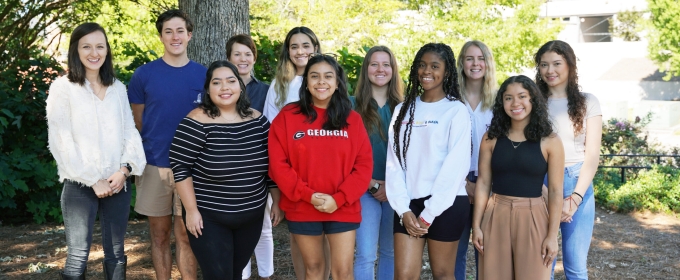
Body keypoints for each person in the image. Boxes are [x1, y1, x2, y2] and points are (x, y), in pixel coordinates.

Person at [46, 22, 146, 280]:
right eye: (87, 46)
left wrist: (125, 170)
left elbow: (130, 132)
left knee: (116, 253)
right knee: (78, 255)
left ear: (107, 50)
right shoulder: (62, 89)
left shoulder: (117, 88)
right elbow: (60, 141)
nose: (94, 52)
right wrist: (93, 179)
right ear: (76, 51)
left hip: (116, 183)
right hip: (80, 185)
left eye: (100, 46)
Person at [268, 54, 373, 280]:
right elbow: (278, 165)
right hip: (303, 206)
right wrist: (308, 196)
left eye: (328, 76)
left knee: (343, 273)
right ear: (306, 82)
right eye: (314, 76)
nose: (321, 82)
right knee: (314, 270)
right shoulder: (288, 116)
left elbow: (363, 165)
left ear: (337, 83)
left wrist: (340, 198)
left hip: (343, 206)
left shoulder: (352, 119)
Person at [169, 60, 276, 279]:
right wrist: (191, 210)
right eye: (217, 82)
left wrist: (278, 201)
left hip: (251, 217)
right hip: (210, 219)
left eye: (230, 81)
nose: (225, 87)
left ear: (240, 86)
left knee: (235, 273)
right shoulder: (195, 122)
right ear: (208, 89)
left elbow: (272, 164)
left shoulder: (258, 121)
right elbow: (180, 167)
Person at [127, 9, 206, 280]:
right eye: (168, 31)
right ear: (161, 36)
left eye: (180, 31)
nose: (175, 36)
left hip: (194, 170)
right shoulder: (143, 75)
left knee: (187, 234)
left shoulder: (204, 76)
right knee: (159, 234)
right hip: (154, 165)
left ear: (190, 35)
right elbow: (140, 121)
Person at [386, 43, 471, 279]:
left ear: (446, 72)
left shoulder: (456, 111)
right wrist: (403, 209)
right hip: (408, 204)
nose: (427, 71)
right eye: (422, 65)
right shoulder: (403, 110)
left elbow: (455, 167)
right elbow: (394, 164)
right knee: (404, 275)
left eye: (435, 66)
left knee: (443, 274)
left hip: (446, 204)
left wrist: (429, 214)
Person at [471, 75, 564, 280]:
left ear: (533, 100)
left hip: (534, 216)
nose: (515, 103)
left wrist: (552, 235)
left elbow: (556, 191)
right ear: (501, 102)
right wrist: (476, 226)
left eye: (522, 96)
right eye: (508, 98)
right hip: (496, 214)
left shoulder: (550, 141)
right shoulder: (490, 138)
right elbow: (484, 183)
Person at [261, 26, 331, 280]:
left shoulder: (326, 81)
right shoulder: (280, 84)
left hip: (324, 168)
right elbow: (271, 129)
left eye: (305, 45)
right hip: (293, 172)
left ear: (315, 48)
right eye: (294, 46)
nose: (300, 51)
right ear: (287, 51)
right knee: (299, 234)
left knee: (325, 232)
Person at [535, 40, 602, 280]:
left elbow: (592, 155)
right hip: (540, 183)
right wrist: (544, 192)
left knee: (575, 267)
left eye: (556, 63)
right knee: (543, 263)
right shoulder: (532, 102)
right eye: (544, 65)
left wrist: (574, 199)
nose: (550, 70)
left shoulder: (588, 101)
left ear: (570, 65)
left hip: (578, 183)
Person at [225, 34, 283, 280]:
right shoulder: (222, 88)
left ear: (254, 57)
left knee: (264, 226)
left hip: (259, 166)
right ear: (228, 58)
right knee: (237, 226)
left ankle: (267, 274)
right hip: (229, 168)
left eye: (247, 54)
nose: (242, 59)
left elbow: (272, 128)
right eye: (237, 54)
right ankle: (242, 275)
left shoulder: (266, 90)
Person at [350, 46, 403, 280]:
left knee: (391, 253)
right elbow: (345, 153)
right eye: (374, 64)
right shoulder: (350, 106)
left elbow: (411, 155)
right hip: (363, 190)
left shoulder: (405, 108)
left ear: (393, 70)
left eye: (386, 64)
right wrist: (371, 184)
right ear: (366, 69)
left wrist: (390, 186)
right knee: (365, 254)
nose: (380, 69)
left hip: (396, 191)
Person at [454, 40, 498, 280]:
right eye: (470, 58)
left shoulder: (500, 101)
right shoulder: (450, 99)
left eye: (481, 58)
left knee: (486, 250)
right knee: (455, 252)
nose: (475, 64)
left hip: (491, 183)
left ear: (488, 63)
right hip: (456, 185)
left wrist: (485, 185)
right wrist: (463, 181)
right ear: (461, 63)